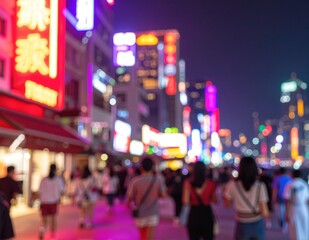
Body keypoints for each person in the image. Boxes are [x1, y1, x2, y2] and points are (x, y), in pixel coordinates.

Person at [223, 156, 269, 240]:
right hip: (257, 223)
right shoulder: (260, 186)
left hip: (242, 223)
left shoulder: (232, 184)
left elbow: (227, 204)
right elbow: (265, 212)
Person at [126, 157, 167, 240]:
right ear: (153, 167)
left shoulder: (135, 181)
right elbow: (164, 195)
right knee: (149, 237)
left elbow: (129, 197)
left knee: (142, 236)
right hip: (153, 212)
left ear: (141, 167)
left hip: (140, 212)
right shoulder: (158, 180)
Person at [182, 161, 218, 240]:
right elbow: (216, 201)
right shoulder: (211, 184)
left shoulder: (188, 183)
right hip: (207, 214)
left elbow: (186, 201)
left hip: (194, 214)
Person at [38, 163, 65, 240]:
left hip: (44, 202)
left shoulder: (44, 179)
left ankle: (42, 230)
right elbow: (62, 191)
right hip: (53, 202)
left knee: (44, 220)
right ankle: (52, 237)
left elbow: (40, 191)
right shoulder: (58, 180)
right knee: (53, 220)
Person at [283, 169, 309, 240]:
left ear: (292, 175)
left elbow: (287, 200)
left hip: (293, 208)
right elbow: (307, 200)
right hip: (304, 208)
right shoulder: (304, 184)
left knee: (295, 229)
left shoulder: (290, 184)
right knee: (305, 228)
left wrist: (286, 213)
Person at [272, 167, 291, 233]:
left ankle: (282, 226)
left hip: (279, 198)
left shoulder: (277, 179)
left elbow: (275, 190)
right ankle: (286, 224)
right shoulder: (289, 178)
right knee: (286, 211)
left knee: (280, 213)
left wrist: (273, 199)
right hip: (288, 199)